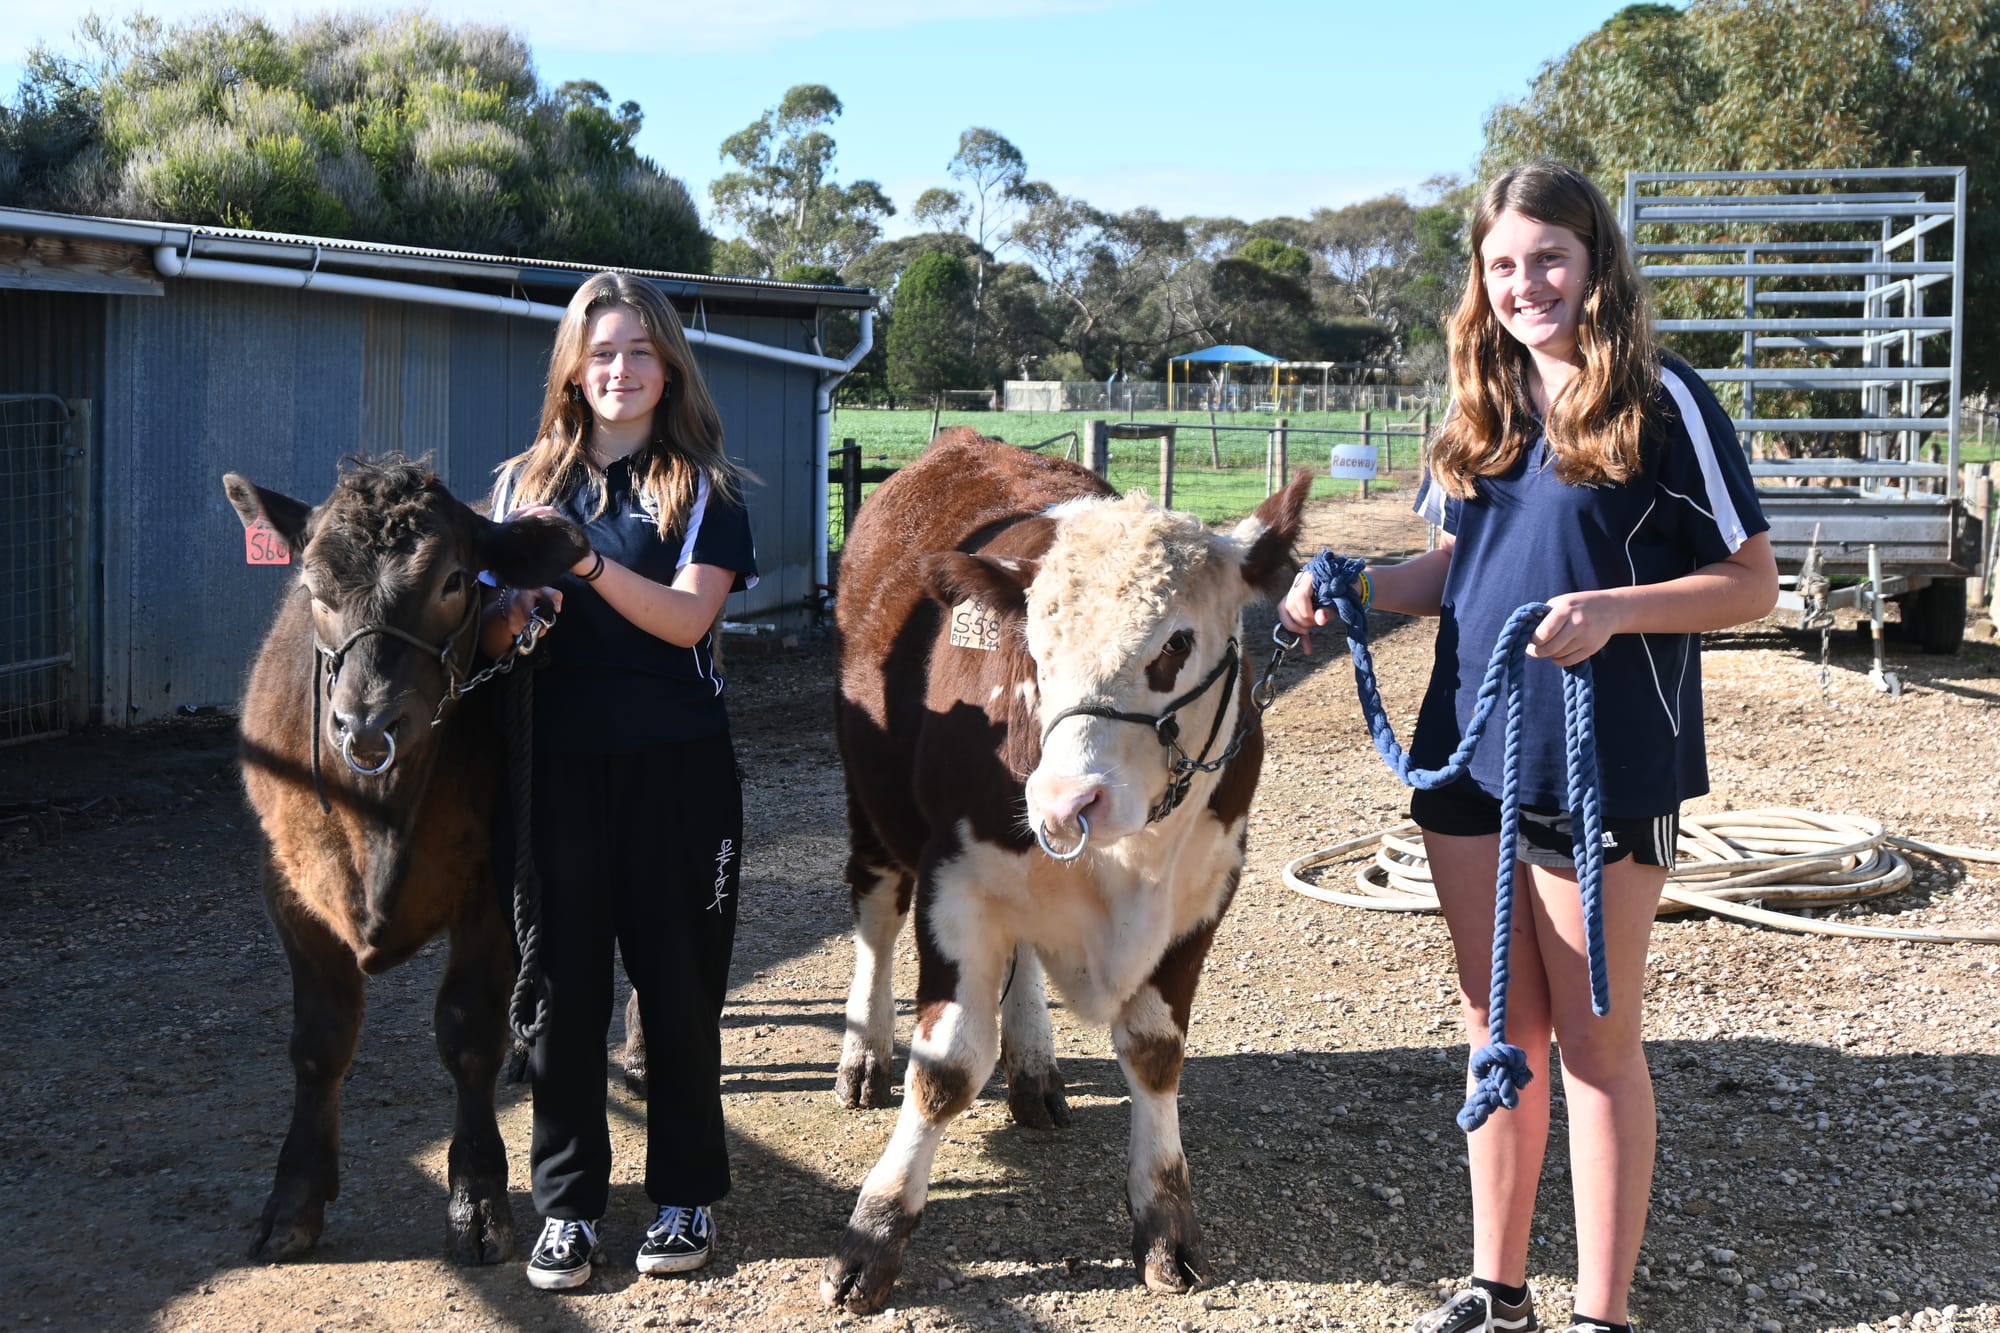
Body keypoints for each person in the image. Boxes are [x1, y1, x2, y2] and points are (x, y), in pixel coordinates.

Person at [1279, 160, 1778, 1333]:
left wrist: (1611, 610)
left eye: (1547, 257)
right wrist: (1351, 589)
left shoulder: (1662, 399)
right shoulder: (1481, 400)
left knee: (1594, 1046)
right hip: (1468, 750)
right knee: (1495, 1027)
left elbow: (1750, 582)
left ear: (1593, 259)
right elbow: (1457, 571)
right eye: (1500, 263)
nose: (1524, 283)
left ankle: (1602, 1313)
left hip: (1602, 762)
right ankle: (1496, 1293)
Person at [479, 270, 757, 1291]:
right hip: (550, 773)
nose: (621, 369)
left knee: (676, 990)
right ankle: (567, 1208)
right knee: (560, 993)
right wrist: (516, 612)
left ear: (669, 367)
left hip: (675, 771)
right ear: (572, 368)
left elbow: (687, 621)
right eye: (602, 352)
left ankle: (685, 1193)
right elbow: (482, 630)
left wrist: (585, 567)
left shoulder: (704, 488)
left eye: (641, 351)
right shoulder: (518, 488)